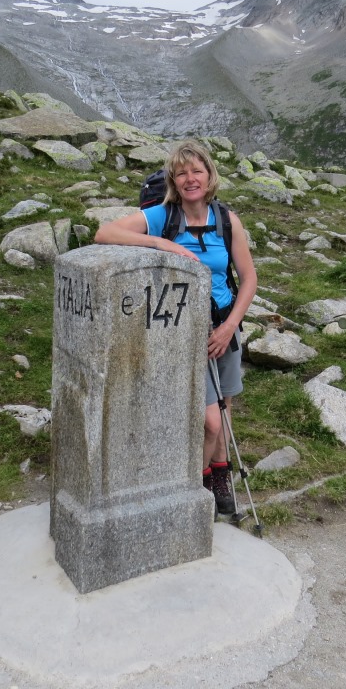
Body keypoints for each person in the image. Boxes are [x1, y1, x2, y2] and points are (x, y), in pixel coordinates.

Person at [95, 140, 257, 514]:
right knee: (210, 421)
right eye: (181, 173)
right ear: (173, 180)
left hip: (224, 327)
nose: (190, 179)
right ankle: (198, 485)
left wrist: (230, 326)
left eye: (197, 170)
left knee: (224, 406)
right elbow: (104, 233)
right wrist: (160, 243)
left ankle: (220, 478)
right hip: (183, 334)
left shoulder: (227, 220)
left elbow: (249, 278)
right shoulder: (163, 216)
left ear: (210, 176)